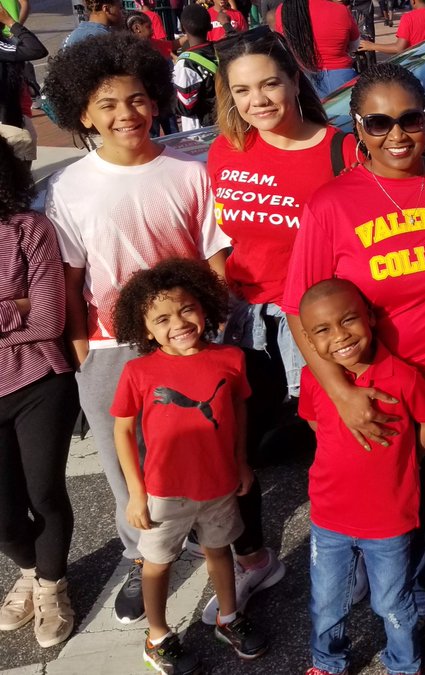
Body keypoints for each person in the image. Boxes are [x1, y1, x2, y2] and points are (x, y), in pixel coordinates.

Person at [282, 63, 425, 638]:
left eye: (410, 119)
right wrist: (341, 394)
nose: (397, 135)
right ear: (358, 127)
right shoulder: (332, 204)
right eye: (379, 123)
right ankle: (401, 601)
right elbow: (299, 310)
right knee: (389, 503)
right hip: (376, 391)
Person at [42, 32, 231, 626]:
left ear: (155, 100)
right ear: (83, 114)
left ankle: (207, 536)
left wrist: (215, 325)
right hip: (107, 345)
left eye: (136, 99)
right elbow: (71, 275)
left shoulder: (188, 172)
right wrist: (80, 345)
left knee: (197, 443)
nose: (126, 113)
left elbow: (214, 256)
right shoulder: (68, 187)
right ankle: (140, 555)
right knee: (126, 461)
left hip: (186, 339)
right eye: (107, 104)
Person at [199, 25, 356, 626]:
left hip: (312, 321)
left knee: (334, 447)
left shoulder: (339, 150)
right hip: (244, 323)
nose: (258, 100)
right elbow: (221, 237)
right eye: (242, 90)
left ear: (294, 79)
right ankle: (256, 558)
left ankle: (355, 557)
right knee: (235, 449)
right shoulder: (226, 150)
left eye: (269, 83)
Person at [111, 259, 269, 674]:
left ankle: (228, 618)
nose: (178, 323)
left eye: (186, 309)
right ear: (146, 329)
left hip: (219, 484)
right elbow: (122, 430)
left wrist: (241, 461)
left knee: (220, 550)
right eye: (162, 319)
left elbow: (238, 408)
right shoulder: (137, 371)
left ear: (204, 307)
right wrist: (137, 494)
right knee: (157, 564)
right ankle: (158, 637)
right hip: (164, 492)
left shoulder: (231, 358)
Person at [297, 278, 425, 675]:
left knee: (391, 602)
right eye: (322, 330)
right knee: (327, 601)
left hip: (388, 520)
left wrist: (411, 460)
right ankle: (328, 662)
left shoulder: (404, 377)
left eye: (348, 320)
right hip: (329, 516)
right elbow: (312, 420)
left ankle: (404, 665)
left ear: (371, 318)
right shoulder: (313, 378)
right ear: (308, 341)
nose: (340, 336)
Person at [0, 137, 79, 650]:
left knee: (44, 493)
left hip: (38, 381)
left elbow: (49, 319)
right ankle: (29, 571)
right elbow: (30, 311)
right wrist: (16, 306)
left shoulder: (29, 228)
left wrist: (26, 310)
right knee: (4, 517)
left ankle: (52, 585)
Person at [276, 0, 359, 98]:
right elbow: (355, 45)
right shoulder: (341, 10)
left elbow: (283, 47)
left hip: (304, 81)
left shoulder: (283, 10)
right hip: (342, 77)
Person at [0, 4, 45, 165]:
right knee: (18, 174)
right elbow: (36, 50)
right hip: (8, 123)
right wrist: (10, 22)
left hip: (14, 116)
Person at [175, 3, 219, 131]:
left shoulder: (186, 63)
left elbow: (186, 107)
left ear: (183, 29)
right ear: (210, 27)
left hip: (200, 130)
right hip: (222, 120)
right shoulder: (220, 51)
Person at [359, 0, 425, 55]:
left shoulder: (408, 18)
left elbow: (399, 48)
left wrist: (372, 46)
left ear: (414, 1)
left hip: (415, 65)